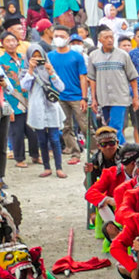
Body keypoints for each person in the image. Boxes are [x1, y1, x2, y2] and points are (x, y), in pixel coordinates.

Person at [21, 43, 66, 179]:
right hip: (36, 108)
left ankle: (59, 168)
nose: (37, 59)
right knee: (41, 139)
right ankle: (47, 167)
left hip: (51, 106)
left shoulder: (48, 68)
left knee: (54, 138)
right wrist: (30, 70)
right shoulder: (25, 71)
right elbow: (24, 86)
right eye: (33, 57)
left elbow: (61, 87)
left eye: (39, 56)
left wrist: (51, 72)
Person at [87, 25, 139, 142]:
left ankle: (121, 153)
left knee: (115, 128)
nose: (110, 40)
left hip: (120, 96)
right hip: (103, 98)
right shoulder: (93, 56)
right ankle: (122, 150)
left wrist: (135, 96)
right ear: (100, 40)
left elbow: (133, 77)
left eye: (111, 37)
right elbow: (92, 79)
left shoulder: (123, 55)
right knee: (110, 128)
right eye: (106, 37)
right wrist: (94, 99)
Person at [49, 24, 87, 166]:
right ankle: (75, 152)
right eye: (56, 36)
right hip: (59, 97)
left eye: (62, 36)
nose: (58, 39)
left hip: (77, 97)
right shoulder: (50, 56)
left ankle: (96, 151)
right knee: (66, 127)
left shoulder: (77, 56)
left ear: (68, 38)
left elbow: (83, 77)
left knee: (85, 126)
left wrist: (84, 97)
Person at [0, 31, 40, 168]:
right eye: (8, 41)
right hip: (12, 99)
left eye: (13, 40)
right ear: (2, 43)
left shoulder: (24, 58)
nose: (11, 43)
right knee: (17, 131)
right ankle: (19, 158)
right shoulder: (1, 61)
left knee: (33, 129)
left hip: (29, 97)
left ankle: (35, 155)